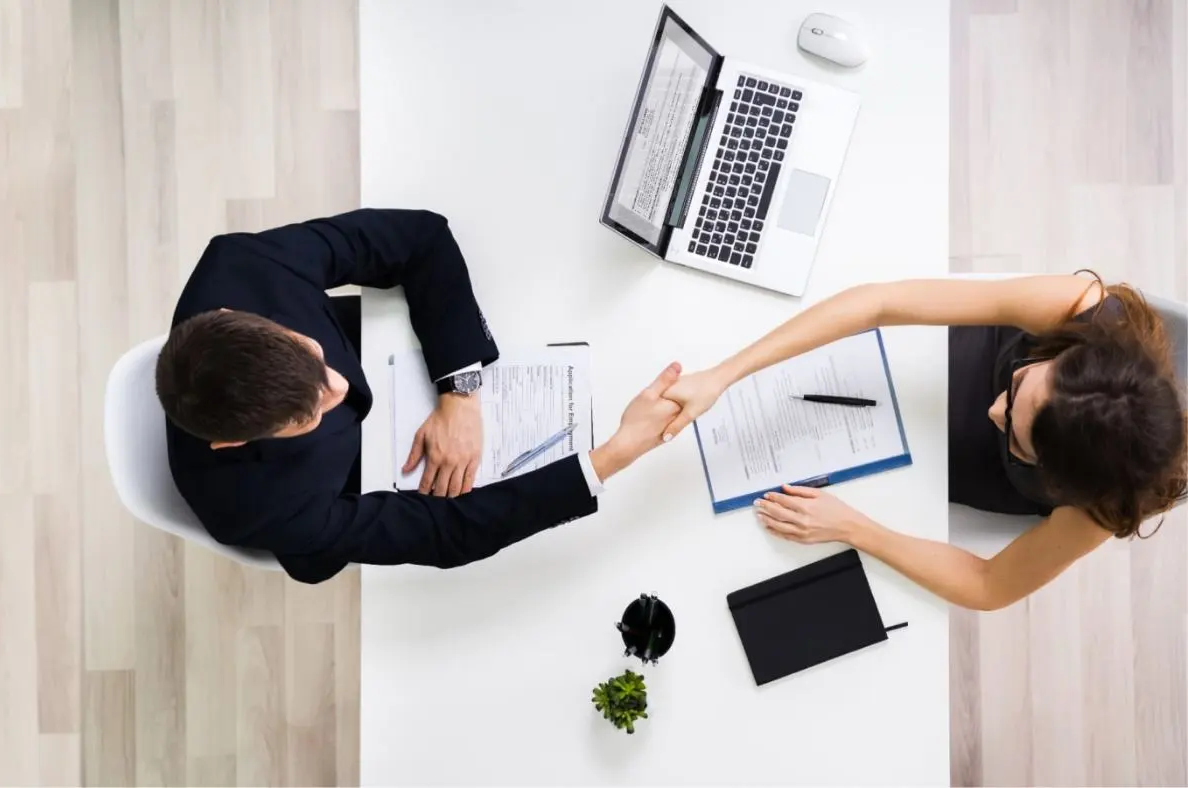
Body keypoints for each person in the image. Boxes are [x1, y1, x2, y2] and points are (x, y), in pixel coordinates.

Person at [157, 209, 682, 584]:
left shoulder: (242, 266)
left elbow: (421, 238)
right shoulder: (257, 509)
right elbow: (444, 534)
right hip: (348, 491)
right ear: (230, 444)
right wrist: (612, 456)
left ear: (236, 316)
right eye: (309, 413)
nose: (337, 387)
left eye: (314, 359)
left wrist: (460, 391)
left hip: (392, 356)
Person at [660, 273, 1187, 611]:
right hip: (939, 364)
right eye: (1020, 386)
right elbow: (880, 301)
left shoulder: (1105, 498)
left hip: (955, 471)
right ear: (1069, 352)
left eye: (1021, 439)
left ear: (1062, 478)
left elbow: (990, 585)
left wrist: (853, 527)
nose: (994, 410)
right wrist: (725, 375)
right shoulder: (1084, 310)